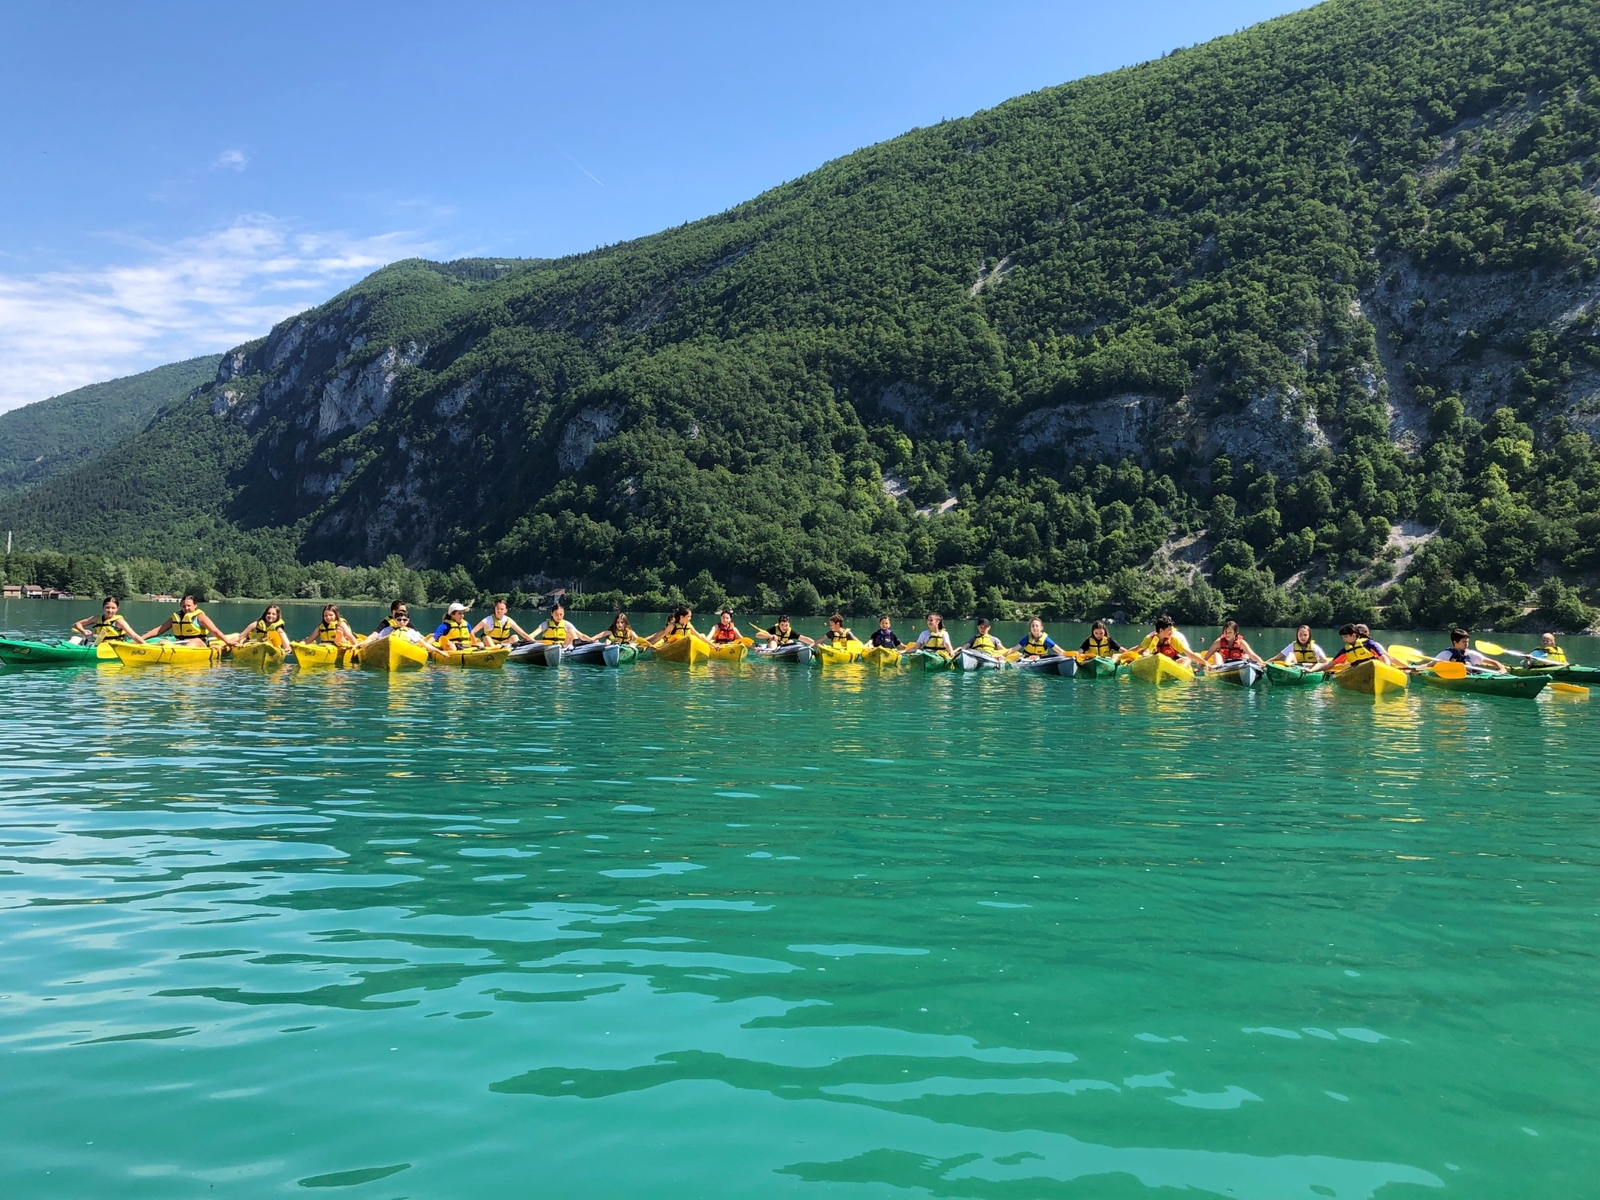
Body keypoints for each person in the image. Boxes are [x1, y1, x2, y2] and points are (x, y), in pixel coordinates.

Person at [143, 594, 231, 647]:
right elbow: (159, 630)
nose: (186, 608)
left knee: (194, 641)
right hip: (180, 643)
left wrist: (227, 642)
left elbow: (214, 631)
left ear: (195, 605)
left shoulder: (200, 617)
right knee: (162, 642)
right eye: (184, 606)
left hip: (198, 644)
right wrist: (140, 639)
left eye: (189, 606)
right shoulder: (177, 617)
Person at [1134, 615, 1208, 668]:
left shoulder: (1174, 640)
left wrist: (1206, 663)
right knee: (1144, 654)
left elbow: (1190, 654)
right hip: (1155, 662)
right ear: (1161, 630)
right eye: (1169, 630)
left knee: (1187, 659)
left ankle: (1180, 672)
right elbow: (1138, 649)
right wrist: (1124, 654)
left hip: (1171, 663)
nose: (1172, 632)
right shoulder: (1150, 639)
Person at [71, 596, 145, 645]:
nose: (110, 610)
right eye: (107, 607)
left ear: (117, 609)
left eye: (113, 608)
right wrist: (83, 631)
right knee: (74, 638)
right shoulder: (96, 618)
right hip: (97, 644)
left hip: (112, 647)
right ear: (103, 607)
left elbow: (133, 635)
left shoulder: (119, 621)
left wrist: (145, 645)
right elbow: (77, 624)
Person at [1433, 628, 1506, 672]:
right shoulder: (1445, 654)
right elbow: (1430, 665)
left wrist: (1502, 668)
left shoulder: (1471, 654)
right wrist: (1420, 669)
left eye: (1467, 642)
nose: (1466, 644)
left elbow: (1494, 662)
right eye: (1464, 642)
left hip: (1471, 676)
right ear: (1455, 642)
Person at [1326, 623, 1393, 670]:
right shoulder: (1347, 648)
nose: (1344, 640)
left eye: (1345, 637)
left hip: (1374, 668)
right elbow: (1390, 658)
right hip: (1358, 669)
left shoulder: (1370, 643)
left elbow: (1387, 658)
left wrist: (1388, 668)